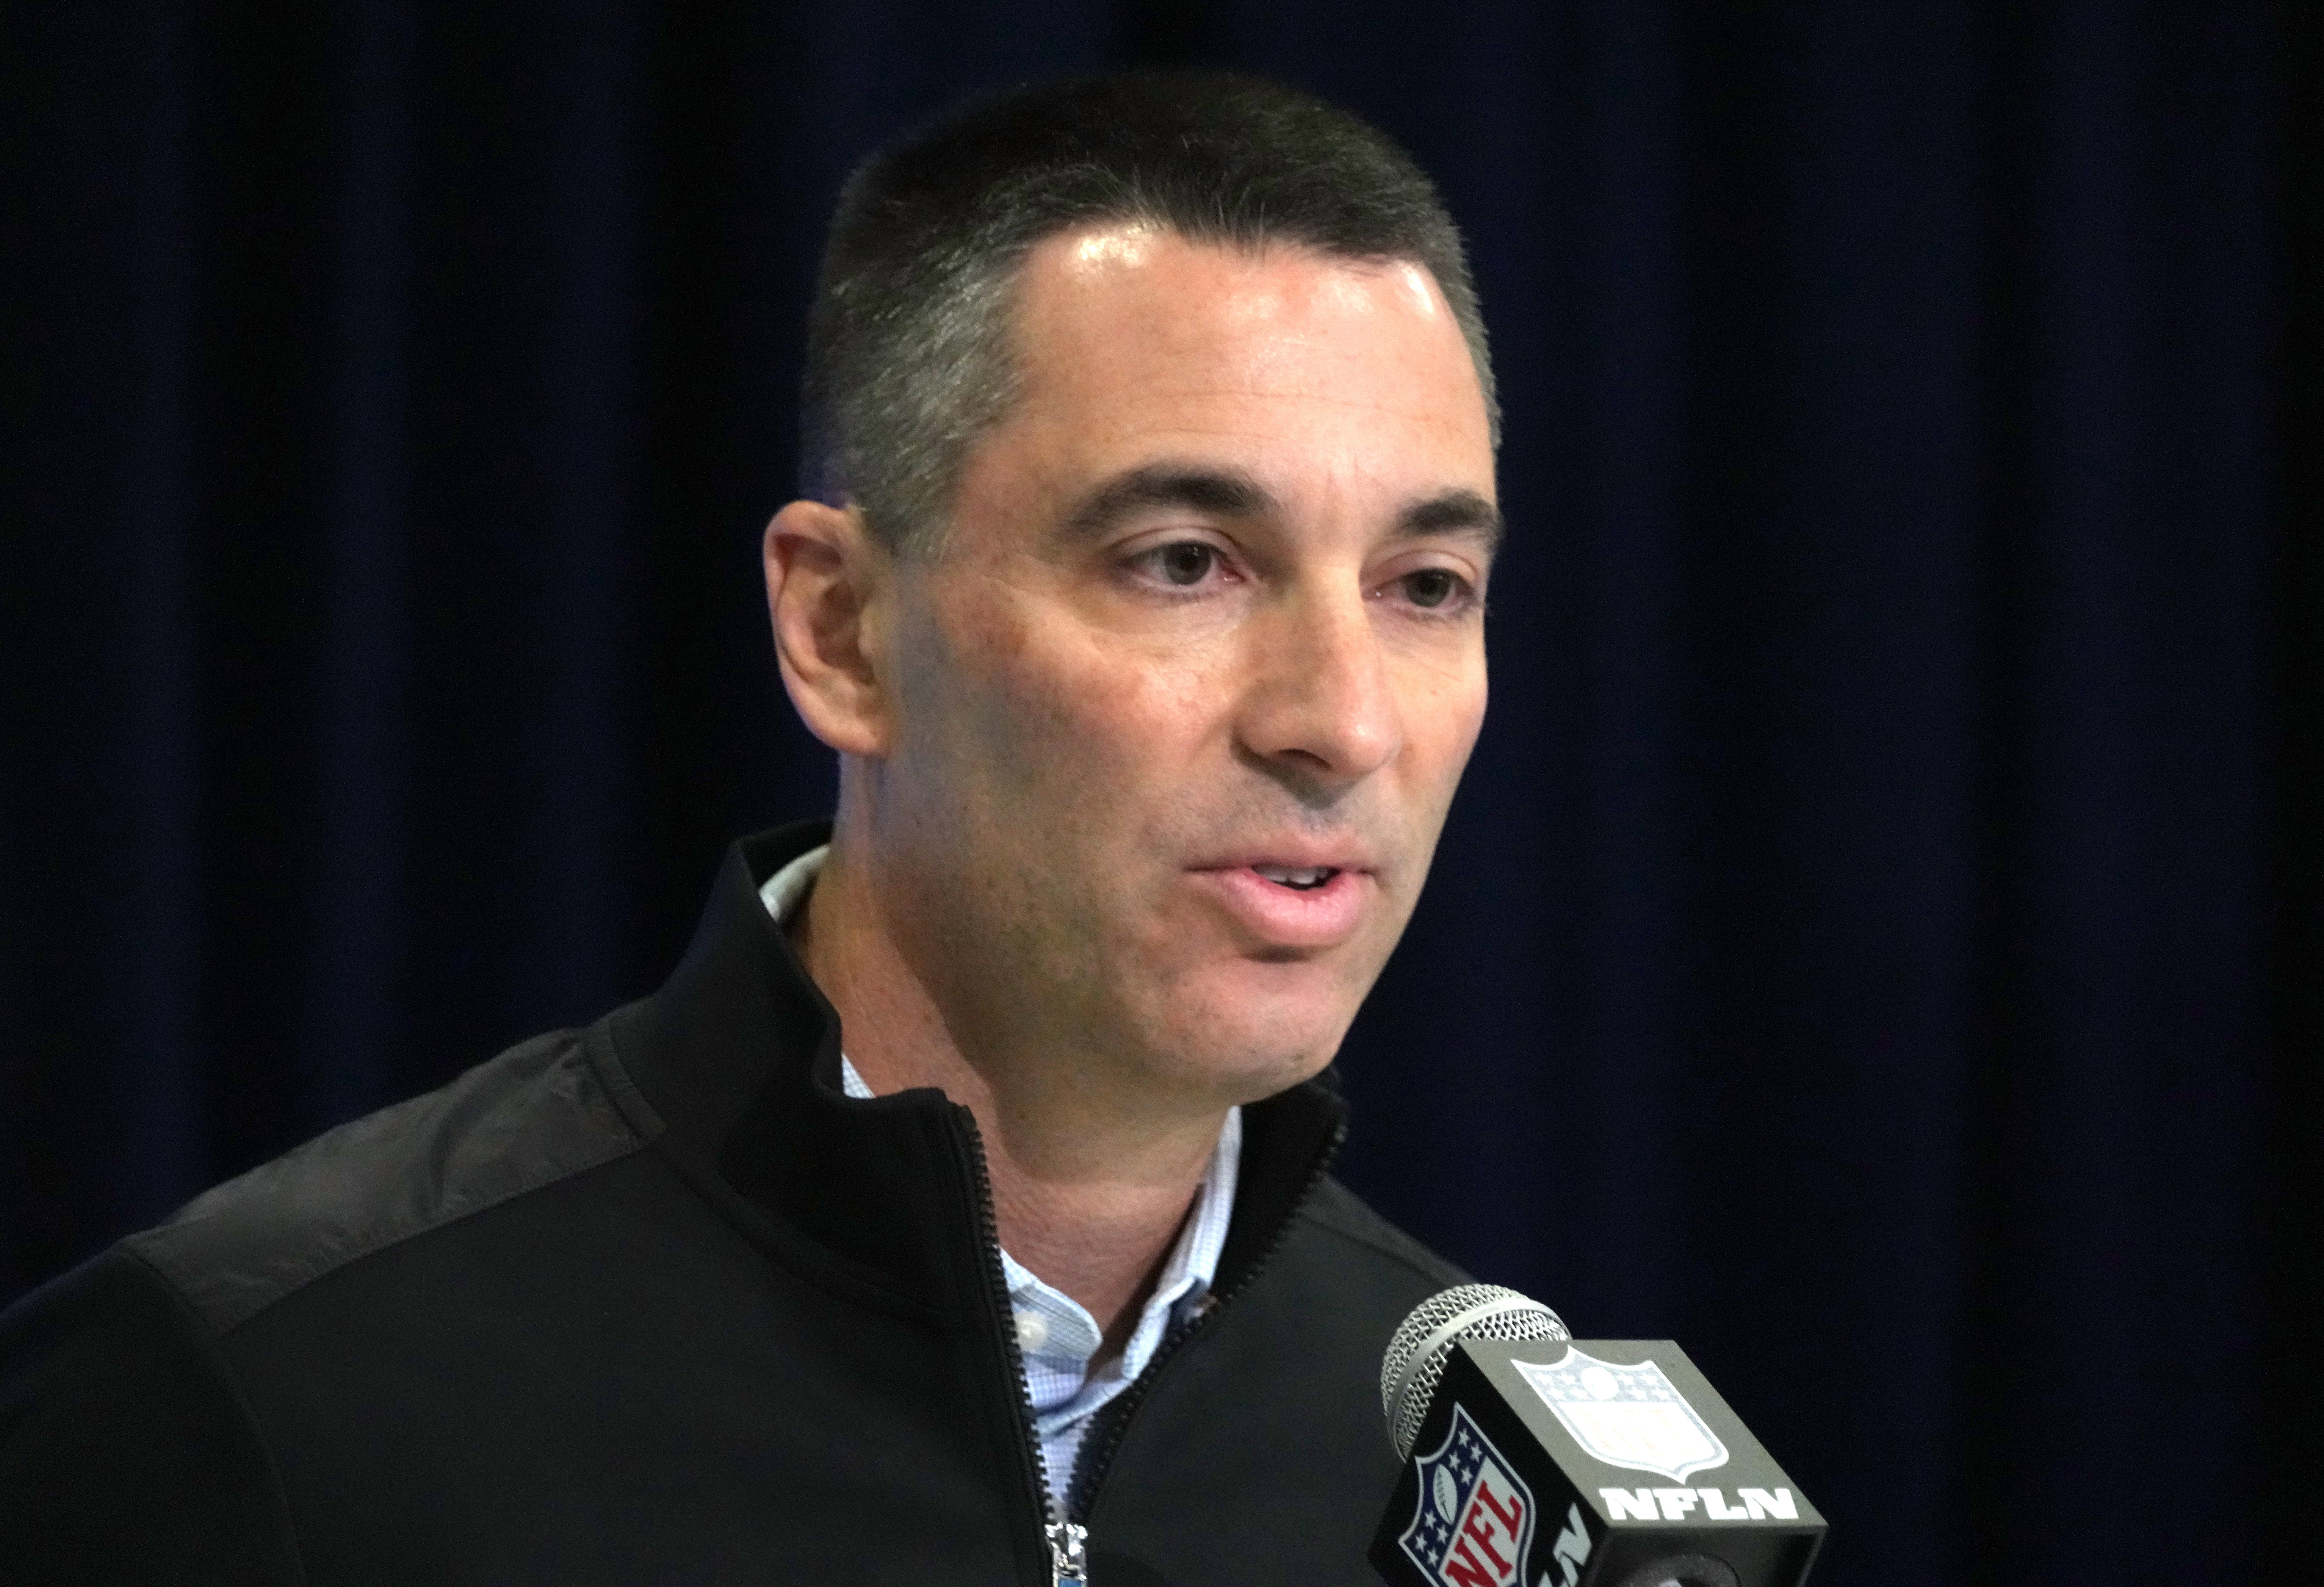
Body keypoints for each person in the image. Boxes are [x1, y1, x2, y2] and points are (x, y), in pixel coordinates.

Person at [0, 73, 1502, 1584]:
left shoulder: (1468, 1468)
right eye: (1183, 562)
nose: (1344, 719)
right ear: (841, 630)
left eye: (1426, 585)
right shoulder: (270, 1395)